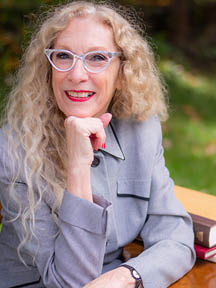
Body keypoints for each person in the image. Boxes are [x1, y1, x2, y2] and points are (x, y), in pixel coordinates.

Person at [0, 1, 195, 287]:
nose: (77, 74)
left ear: (122, 73)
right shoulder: (14, 148)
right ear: (47, 68)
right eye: (64, 56)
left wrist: (128, 276)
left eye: (97, 58)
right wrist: (78, 166)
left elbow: (175, 235)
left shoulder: (140, 130)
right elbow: (68, 282)